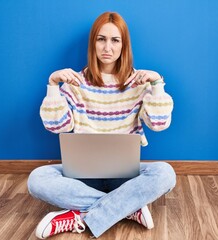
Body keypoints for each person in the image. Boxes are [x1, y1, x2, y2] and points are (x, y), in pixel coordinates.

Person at [27, 12, 176, 239]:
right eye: (101, 39)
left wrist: (157, 85)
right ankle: (126, 208)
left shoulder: (138, 82)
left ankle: (79, 216)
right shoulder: (75, 82)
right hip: (82, 177)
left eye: (115, 40)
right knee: (37, 179)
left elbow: (159, 124)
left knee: (166, 173)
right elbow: (57, 126)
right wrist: (53, 85)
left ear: (124, 45)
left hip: (126, 177)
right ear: (93, 43)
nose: (108, 47)